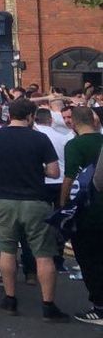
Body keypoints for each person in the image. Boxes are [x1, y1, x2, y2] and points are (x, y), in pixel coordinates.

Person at [0, 97, 68, 321]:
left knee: (7, 250)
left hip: (3, 199)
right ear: (30, 116)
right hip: (35, 201)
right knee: (44, 253)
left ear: (10, 114)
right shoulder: (40, 138)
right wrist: (36, 169)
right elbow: (54, 172)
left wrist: (1, 171)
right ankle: (48, 305)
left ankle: (10, 299)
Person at [63, 106, 103, 325]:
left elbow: (69, 178)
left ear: (75, 123)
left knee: (89, 260)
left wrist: (63, 205)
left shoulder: (75, 145)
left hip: (87, 209)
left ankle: (99, 307)